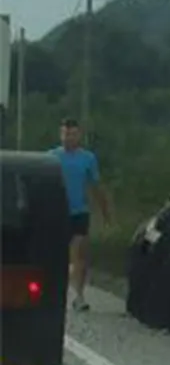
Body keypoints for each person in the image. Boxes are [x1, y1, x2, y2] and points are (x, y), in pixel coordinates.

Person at [49, 118, 111, 311]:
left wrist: (105, 210)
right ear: (61, 134)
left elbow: (96, 186)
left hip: (79, 212)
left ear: (79, 135)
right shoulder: (51, 157)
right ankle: (54, 293)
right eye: (66, 133)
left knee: (79, 254)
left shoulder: (87, 158)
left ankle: (79, 295)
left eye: (73, 134)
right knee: (58, 255)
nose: (69, 137)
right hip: (57, 211)